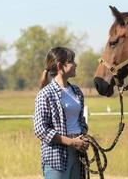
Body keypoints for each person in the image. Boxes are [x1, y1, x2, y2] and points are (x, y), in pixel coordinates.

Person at [34, 46, 88, 179]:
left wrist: (83, 137)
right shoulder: (45, 94)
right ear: (60, 66)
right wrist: (71, 142)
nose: (76, 64)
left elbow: (81, 121)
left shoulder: (77, 92)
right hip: (56, 158)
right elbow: (40, 129)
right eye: (72, 61)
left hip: (77, 154)